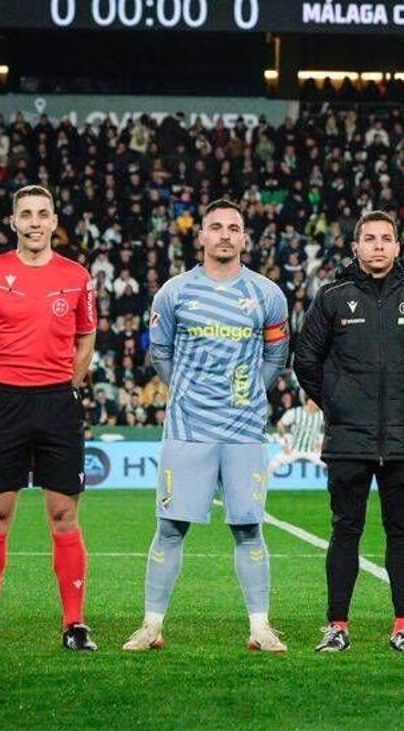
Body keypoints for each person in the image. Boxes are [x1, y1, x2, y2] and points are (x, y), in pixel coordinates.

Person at [123, 198, 289, 654]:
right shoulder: (174, 293)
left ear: (244, 238)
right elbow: (161, 352)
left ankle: (260, 628)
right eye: (215, 227)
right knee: (171, 527)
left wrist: (254, 390)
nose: (224, 235)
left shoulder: (267, 295)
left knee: (249, 528)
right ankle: (151, 625)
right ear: (201, 237)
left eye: (233, 228)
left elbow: (277, 353)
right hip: (188, 429)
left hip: (244, 431)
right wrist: (185, 391)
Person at [294, 210, 404, 654]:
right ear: (355, 247)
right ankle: (337, 626)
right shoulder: (332, 298)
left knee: (402, 530)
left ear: (398, 247)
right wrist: (337, 404)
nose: (378, 246)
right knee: (346, 529)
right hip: (348, 439)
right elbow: (306, 359)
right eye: (369, 238)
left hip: (402, 439)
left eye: (386, 239)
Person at [0, 184, 98, 652]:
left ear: (55, 222)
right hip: (6, 404)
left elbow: (85, 341)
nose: (34, 222)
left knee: (64, 514)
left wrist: (66, 388)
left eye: (43, 214)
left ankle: (74, 624)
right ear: (13, 221)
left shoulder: (77, 277)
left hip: (58, 404)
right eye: (26, 214)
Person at [269, 392, 326, 473]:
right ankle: (263, 483)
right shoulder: (296, 412)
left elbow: (330, 429)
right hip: (294, 450)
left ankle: (336, 485)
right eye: (316, 402)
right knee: (274, 463)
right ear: (309, 401)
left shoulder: (321, 415)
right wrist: (285, 443)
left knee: (330, 464)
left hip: (312, 451)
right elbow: (280, 424)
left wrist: (322, 444)